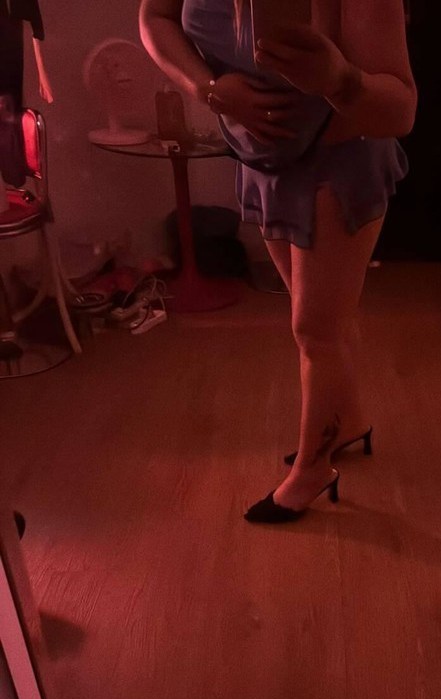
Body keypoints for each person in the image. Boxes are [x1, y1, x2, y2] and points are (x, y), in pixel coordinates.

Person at [139, 0, 416, 522]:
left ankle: (314, 469)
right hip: (261, 156)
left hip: (338, 155)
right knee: (321, 322)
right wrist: (208, 89)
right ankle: (349, 422)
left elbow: (402, 110)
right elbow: (154, 17)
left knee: (315, 329)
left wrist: (339, 79)